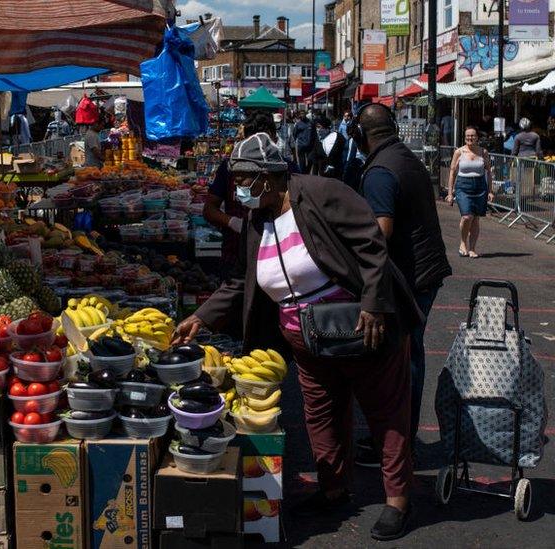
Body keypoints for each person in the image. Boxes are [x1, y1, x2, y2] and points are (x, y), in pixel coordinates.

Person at [173, 133, 420, 542]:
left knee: (385, 414)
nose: (237, 189)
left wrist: (374, 304)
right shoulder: (257, 218)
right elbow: (242, 280)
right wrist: (201, 316)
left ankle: (397, 501)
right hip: (307, 340)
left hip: (359, 329)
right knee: (320, 415)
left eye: (243, 179)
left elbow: (372, 244)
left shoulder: (321, 193)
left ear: (269, 177)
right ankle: (334, 489)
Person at [352, 103, 452, 468]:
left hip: (411, 277)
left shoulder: (379, 170)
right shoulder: (403, 157)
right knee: (409, 357)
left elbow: (381, 231)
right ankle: (398, 437)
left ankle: (395, 443)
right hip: (424, 272)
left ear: (362, 134)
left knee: (400, 362)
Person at [447, 126, 494, 258]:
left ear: (477, 137)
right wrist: (450, 193)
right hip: (463, 186)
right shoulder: (459, 152)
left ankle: (472, 248)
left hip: (480, 186)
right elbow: (452, 173)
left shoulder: (483, 152)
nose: (470, 138)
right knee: (467, 216)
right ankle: (463, 243)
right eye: (468, 136)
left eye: (472, 136)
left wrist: (490, 191)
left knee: (475, 219)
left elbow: (489, 172)